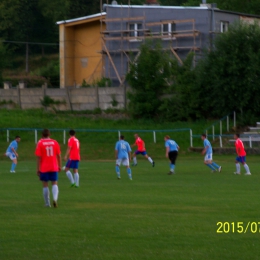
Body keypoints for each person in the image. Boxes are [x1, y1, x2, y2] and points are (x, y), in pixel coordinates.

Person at [35, 129, 61, 208]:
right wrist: (59, 165)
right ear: (49, 134)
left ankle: (47, 203)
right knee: (54, 183)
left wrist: (37, 169)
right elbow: (59, 155)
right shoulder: (55, 142)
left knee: (45, 185)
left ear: (42, 135)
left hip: (44, 167)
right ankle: (55, 199)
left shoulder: (40, 143)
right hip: (53, 166)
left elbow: (39, 157)